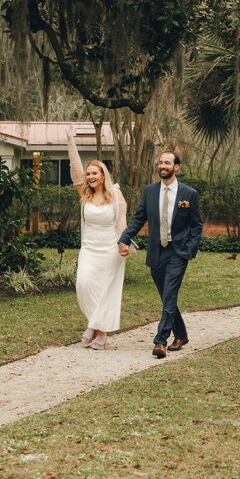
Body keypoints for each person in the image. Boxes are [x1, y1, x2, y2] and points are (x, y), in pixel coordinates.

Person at [117, 151, 203, 358]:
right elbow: (139, 218)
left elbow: (197, 224)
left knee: (170, 293)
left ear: (176, 167)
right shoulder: (150, 191)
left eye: (167, 162)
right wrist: (124, 238)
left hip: (178, 250)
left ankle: (160, 341)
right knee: (167, 297)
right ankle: (181, 334)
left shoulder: (188, 194)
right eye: (160, 162)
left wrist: (190, 248)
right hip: (157, 251)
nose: (162, 166)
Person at [67, 127, 128, 350]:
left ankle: (100, 333)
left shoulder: (116, 194)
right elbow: (74, 170)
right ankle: (93, 325)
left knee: (106, 291)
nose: (90, 177)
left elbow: (121, 220)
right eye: (88, 174)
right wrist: (70, 143)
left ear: (103, 176)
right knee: (83, 284)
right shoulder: (84, 194)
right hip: (89, 249)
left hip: (111, 249)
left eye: (94, 173)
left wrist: (124, 243)